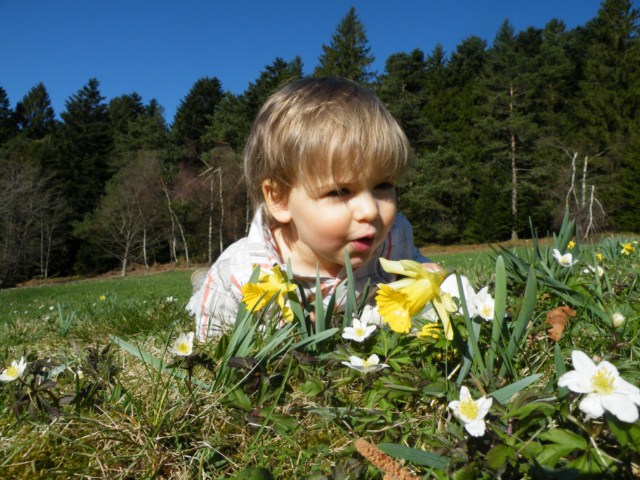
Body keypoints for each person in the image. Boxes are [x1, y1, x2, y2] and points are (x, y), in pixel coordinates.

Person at [188, 77, 439, 340]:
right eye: (340, 191)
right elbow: (212, 342)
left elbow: (420, 289)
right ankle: (199, 283)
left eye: (383, 185)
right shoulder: (239, 276)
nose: (371, 211)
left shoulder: (394, 238)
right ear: (280, 199)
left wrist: (431, 280)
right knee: (203, 295)